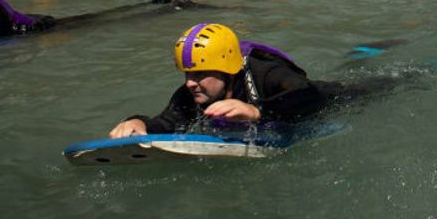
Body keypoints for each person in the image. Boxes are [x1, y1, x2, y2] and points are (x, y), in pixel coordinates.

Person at [109, 23, 358, 136]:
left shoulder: (265, 73)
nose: (189, 82)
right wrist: (138, 123)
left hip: (343, 96)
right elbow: (166, 123)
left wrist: (256, 111)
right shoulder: (191, 94)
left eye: (199, 74)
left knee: (388, 83)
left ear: (226, 69)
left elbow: (309, 95)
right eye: (187, 74)